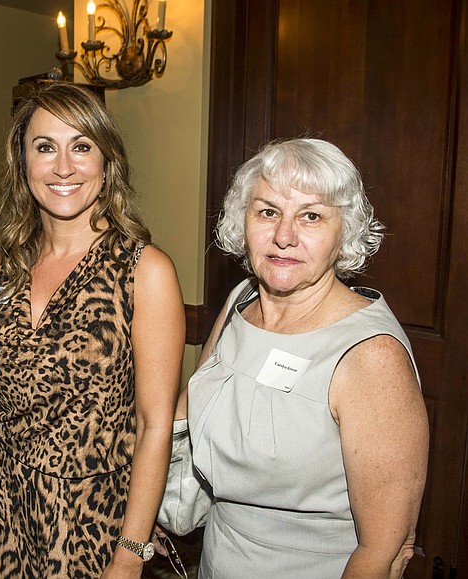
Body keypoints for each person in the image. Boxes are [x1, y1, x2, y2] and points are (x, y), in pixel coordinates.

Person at [0, 82, 186, 578]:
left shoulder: (144, 271)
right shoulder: (3, 270)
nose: (63, 167)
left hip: (93, 522)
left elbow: (154, 425)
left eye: (81, 146)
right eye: (45, 148)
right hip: (1, 509)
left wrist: (129, 554)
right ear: (23, 164)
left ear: (107, 164)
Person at [178, 138, 428, 577]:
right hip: (217, 560)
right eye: (267, 211)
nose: (283, 236)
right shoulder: (242, 300)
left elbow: (381, 552)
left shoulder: (373, 358)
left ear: (345, 231)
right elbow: (195, 406)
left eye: (310, 216)